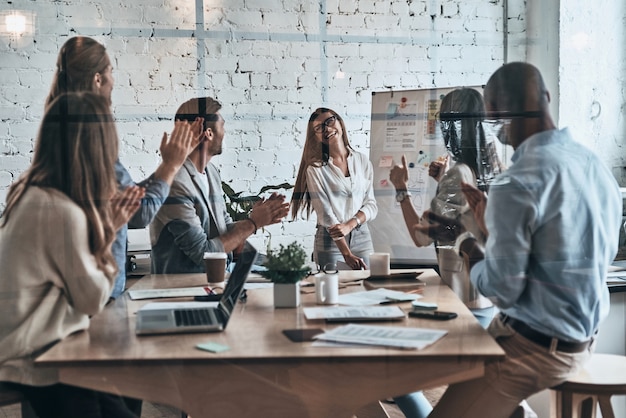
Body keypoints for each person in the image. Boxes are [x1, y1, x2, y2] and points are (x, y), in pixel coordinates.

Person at [416, 62, 622, 418]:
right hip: (584, 336)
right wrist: (489, 231)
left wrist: (463, 239)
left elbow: (502, 288)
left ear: (493, 115)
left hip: (535, 347)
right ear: (547, 97)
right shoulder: (593, 164)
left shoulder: (516, 182)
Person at [0, 92, 145, 418]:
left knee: (123, 393)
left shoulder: (27, 192)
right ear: (97, 147)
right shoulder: (60, 210)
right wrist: (109, 234)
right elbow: (91, 300)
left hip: (33, 348)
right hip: (38, 361)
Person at [45, 36, 198, 300]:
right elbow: (138, 214)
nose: (114, 81)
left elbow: (125, 199)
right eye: (111, 72)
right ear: (97, 79)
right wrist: (171, 165)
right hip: (97, 296)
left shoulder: (59, 129)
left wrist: (168, 163)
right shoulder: (89, 135)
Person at [388, 88, 502, 418]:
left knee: (398, 378)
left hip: (463, 303)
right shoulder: (492, 164)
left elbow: (423, 236)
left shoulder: (459, 172)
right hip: (485, 298)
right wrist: (443, 183)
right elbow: (465, 223)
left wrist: (401, 189)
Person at [150, 96, 290, 274]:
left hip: (216, 280)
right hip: (183, 288)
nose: (224, 132)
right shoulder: (176, 182)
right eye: (222, 125)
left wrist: (261, 218)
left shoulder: (211, 173)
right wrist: (252, 223)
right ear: (208, 132)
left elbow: (224, 228)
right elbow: (203, 254)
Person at [291, 108, 378, 270]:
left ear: (340, 122)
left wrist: (350, 225)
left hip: (362, 236)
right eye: (319, 128)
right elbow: (326, 214)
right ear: (316, 136)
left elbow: (371, 205)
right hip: (330, 241)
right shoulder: (315, 169)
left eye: (330, 121)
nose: (327, 129)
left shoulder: (362, 160)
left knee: (367, 286)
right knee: (333, 290)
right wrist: (346, 253)